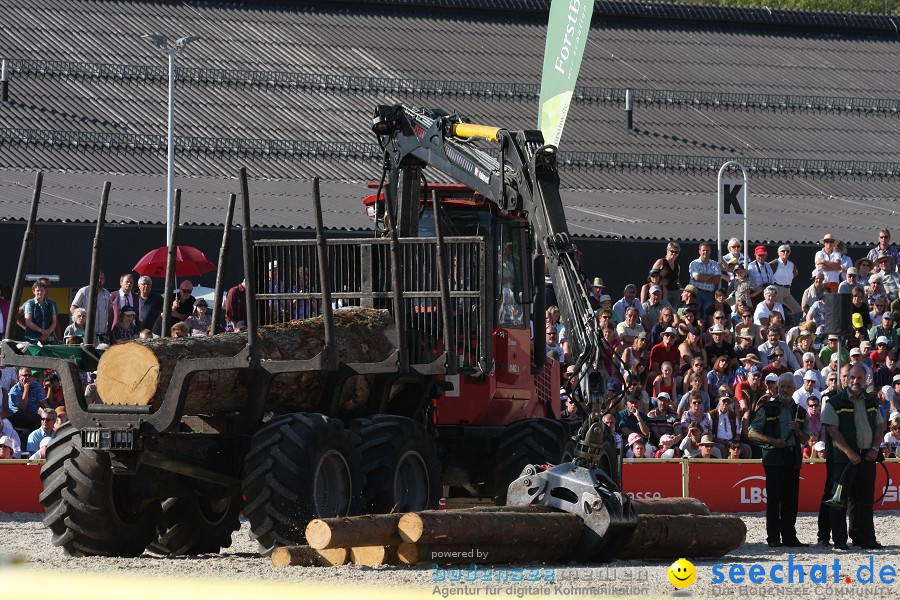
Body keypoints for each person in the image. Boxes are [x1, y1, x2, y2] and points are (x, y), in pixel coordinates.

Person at [822, 365, 885, 551]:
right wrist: (849, 452)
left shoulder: (872, 402)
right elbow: (833, 431)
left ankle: (864, 539)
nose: (855, 381)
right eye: (852, 378)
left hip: (868, 457)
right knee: (839, 500)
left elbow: (879, 427)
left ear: (865, 379)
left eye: (859, 378)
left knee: (864, 501)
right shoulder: (834, 402)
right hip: (844, 460)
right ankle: (840, 541)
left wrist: (874, 449)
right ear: (846, 378)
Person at [748, 372, 809, 547]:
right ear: (776, 387)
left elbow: (805, 439)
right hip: (774, 457)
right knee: (774, 500)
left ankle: (790, 537)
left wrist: (798, 431)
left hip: (792, 458)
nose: (785, 390)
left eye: (788, 386)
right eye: (782, 386)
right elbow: (752, 432)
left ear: (794, 388)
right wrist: (773, 441)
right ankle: (773, 538)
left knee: (791, 499)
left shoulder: (800, 411)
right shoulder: (767, 408)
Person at [70, 270, 111, 343]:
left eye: (102, 278)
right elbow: (73, 308)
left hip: (103, 335)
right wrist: (81, 323)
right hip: (87, 335)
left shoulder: (107, 294)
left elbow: (110, 312)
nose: (99, 280)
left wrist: (109, 328)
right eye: (98, 278)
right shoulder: (84, 291)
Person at [688, 242, 721, 315]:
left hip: (709, 294)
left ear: (710, 251)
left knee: (708, 315)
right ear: (699, 251)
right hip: (696, 294)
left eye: (707, 250)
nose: (705, 252)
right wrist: (712, 275)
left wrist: (703, 277)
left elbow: (717, 279)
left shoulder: (715, 264)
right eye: (703, 250)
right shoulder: (694, 263)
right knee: (695, 314)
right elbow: (697, 277)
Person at [22, 280, 57, 344]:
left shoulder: (51, 305)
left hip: (49, 338)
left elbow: (54, 321)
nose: (40, 292)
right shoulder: (29, 304)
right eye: (38, 290)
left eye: (42, 290)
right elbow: (28, 322)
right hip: (32, 338)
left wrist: (47, 333)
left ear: (44, 291)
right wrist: (42, 331)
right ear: (34, 291)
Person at [651, 242, 682, 308]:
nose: (674, 254)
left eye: (676, 252)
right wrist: (655, 289)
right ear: (667, 251)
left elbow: (677, 281)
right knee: (664, 310)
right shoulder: (661, 262)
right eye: (672, 251)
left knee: (673, 311)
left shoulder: (677, 266)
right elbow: (652, 275)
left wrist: (681, 289)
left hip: (675, 292)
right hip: (664, 292)